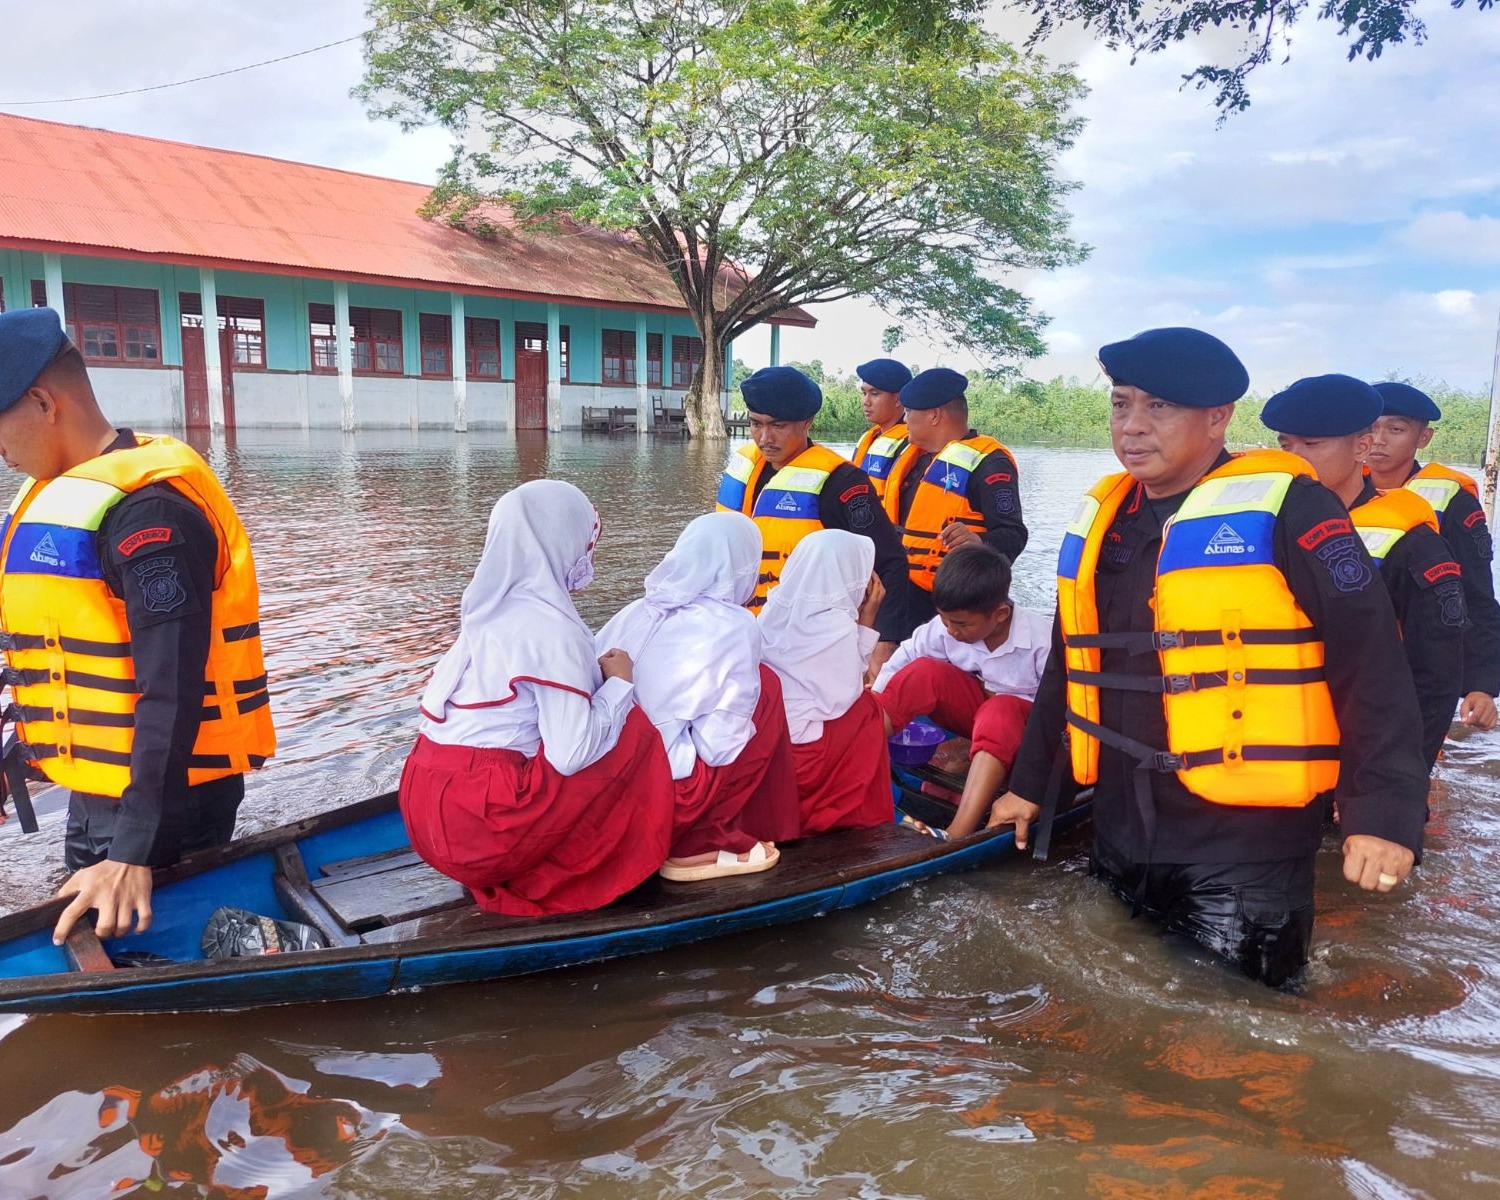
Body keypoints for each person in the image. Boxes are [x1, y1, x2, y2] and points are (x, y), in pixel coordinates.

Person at [990, 327, 1430, 988]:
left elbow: (1371, 661)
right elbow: (1069, 664)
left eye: (1158, 408)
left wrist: (1383, 816)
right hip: (1120, 831)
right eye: (1121, 404)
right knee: (1112, 1017)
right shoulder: (1107, 517)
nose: (1133, 427)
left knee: (1241, 1039)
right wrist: (1028, 783)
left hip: (1243, 845)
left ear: (1217, 418)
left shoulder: (1290, 508)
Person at [0, 307, 275, 947]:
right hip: (103, 792)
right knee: (85, 935)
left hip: (163, 798)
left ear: (42, 402)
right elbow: (57, 652)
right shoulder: (59, 496)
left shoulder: (150, 517)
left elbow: (171, 688)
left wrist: (135, 849)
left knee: (148, 951)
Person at [400, 479, 676, 916]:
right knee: (632, 733)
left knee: (587, 725)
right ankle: (591, 872)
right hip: (478, 827)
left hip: (423, 811)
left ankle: (518, 860)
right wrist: (620, 683)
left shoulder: (483, 609)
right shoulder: (550, 626)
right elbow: (572, 754)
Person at [1262, 374, 1466, 770]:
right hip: (1280, 755)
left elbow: (1434, 677)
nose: (1295, 459)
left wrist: (1396, 781)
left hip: (1364, 755)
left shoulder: (1412, 543)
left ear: (1362, 446)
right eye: (1286, 445)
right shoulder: (1261, 528)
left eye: (1312, 445)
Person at [596, 512, 801, 880]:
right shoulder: (735, 624)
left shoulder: (635, 611)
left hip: (604, 782)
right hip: (666, 796)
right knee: (766, 687)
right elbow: (721, 746)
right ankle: (699, 845)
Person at [715, 364, 915, 646]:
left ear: (807, 422)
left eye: (778, 426)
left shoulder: (841, 481)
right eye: (756, 423)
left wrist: (883, 641)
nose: (764, 438)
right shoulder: (744, 468)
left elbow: (890, 563)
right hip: (739, 632)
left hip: (806, 642)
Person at [872, 544, 1050, 840]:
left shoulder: (1043, 642)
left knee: (1000, 710)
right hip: (980, 719)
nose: (951, 631)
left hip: (1028, 732)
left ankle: (957, 832)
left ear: (1001, 614)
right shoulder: (946, 628)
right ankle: (856, 760)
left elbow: (1062, 714)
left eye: (961, 624)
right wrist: (876, 700)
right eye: (944, 620)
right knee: (924, 671)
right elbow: (903, 659)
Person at [1367, 381, 1500, 734]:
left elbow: (1477, 596)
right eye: (1370, 427)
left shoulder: (1451, 502)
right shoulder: (1334, 490)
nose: (1378, 439)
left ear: (1423, 438)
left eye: (1395, 429)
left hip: (1419, 667)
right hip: (1356, 662)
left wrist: (1481, 685)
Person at [760, 530, 893, 835]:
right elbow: (851, 691)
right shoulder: (834, 626)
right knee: (868, 710)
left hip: (771, 745)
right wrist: (868, 618)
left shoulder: (773, 608)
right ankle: (858, 815)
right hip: (802, 758)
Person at [880, 367, 1027, 636]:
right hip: (901, 593)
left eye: (910, 413)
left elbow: (1013, 534)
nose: (905, 420)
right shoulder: (910, 456)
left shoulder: (990, 464)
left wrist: (981, 544)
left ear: (934, 415)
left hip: (950, 604)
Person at [851, 358, 913, 503]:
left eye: (874, 393)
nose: (866, 401)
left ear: (898, 399)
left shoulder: (912, 442)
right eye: (864, 393)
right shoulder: (869, 438)